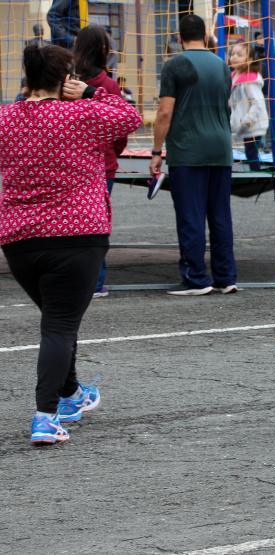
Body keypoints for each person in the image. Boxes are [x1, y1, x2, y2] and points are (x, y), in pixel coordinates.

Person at [0, 44, 141, 444]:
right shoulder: (81, 113)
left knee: (58, 321)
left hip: (20, 238)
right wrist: (91, 92)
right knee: (60, 325)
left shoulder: (6, 117)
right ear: (67, 79)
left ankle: (71, 394)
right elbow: (129, 116)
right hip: (78, 235)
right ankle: (46, 415)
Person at [150, 14, 237, 296]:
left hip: (189, 150)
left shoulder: (174, 65)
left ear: (179, 37)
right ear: (205, 36)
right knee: (220, 216)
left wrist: (156, 151)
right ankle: (226, 278)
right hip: (221, 149)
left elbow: (165, 112)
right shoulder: (223, 66)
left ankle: (196, 279)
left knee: (192, 216)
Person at [73, 25, 129, 299]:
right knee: (97, 222)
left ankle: (78, 279)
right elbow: (121, 127)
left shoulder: (68, 83)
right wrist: (112, 154)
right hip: (103, 165)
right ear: (104, 50)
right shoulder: (108, 86)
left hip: (72, 164)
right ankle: (96, 283)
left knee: (70, 221)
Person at [229, 42, 269, 171]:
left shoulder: (250, 79)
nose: (234, 57)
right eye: (232, 54)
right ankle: (254, 172)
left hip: (253, 123)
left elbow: (257, 103)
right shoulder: (234, 75)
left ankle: (256, 174)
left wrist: (246, 120)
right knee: (249, 151)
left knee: (251, 152)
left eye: (239, 55)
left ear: (250, 60)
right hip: (245, 123)